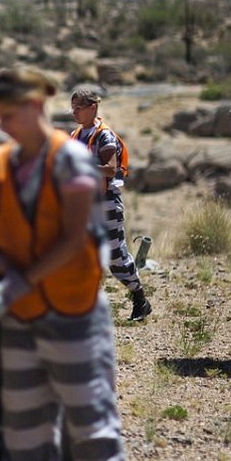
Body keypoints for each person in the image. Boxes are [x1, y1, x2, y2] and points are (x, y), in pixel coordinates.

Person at [0, 68, 127, 461]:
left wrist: (21, 280)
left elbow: (76, 237)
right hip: (21, 317)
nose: (2, 126)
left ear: (35, 105)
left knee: (92, 438)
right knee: (24, 440)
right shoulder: (0, 164)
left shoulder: (72, 161)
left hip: (73, 314)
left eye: (8, 115)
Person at [70, 88, 152, 321]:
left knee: (115, 258)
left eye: (78, 108)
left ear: (92, 108)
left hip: (106, 204)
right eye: (72, 109)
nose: (74, 113)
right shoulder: (75, 135)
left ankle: (140, 298)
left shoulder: (104, 136)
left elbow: (110, 169)